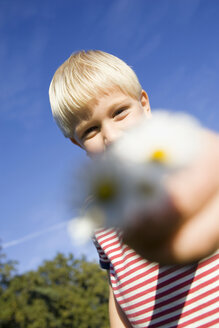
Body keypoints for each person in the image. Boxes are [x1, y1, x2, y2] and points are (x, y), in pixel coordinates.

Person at [49, 50, 219, 327]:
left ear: (144, 105)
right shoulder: (98, 212)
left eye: (119, 112)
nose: (112, 137)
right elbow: (116, 286)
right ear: (77, 144)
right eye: (90, 131)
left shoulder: (185, 160)